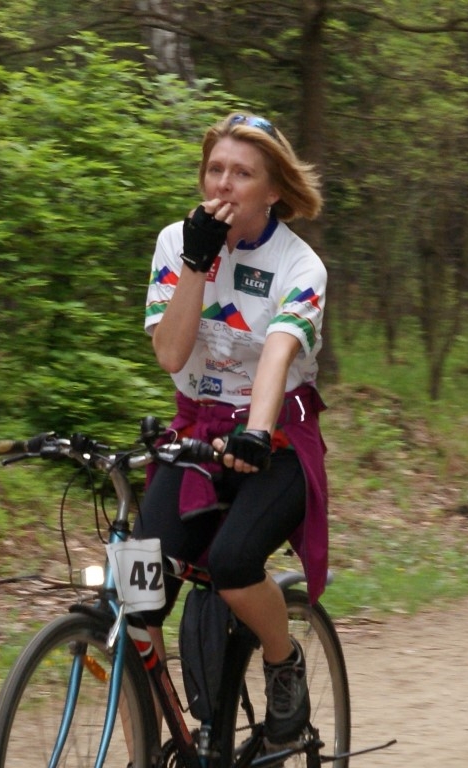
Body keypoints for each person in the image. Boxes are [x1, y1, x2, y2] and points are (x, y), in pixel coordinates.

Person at [136, 111, 329, 745]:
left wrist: (257, 431)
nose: (223, 183)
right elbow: (171, 355)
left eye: (242, 173)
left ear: (272, 189)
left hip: (276, 441)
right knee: (134, 596)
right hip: (195, 433)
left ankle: (283, 661)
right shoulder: (177, 241)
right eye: (214, 169)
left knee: (233, 563)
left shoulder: (299, 265)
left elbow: (276, 354)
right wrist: (197, 262)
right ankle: (147, 747)